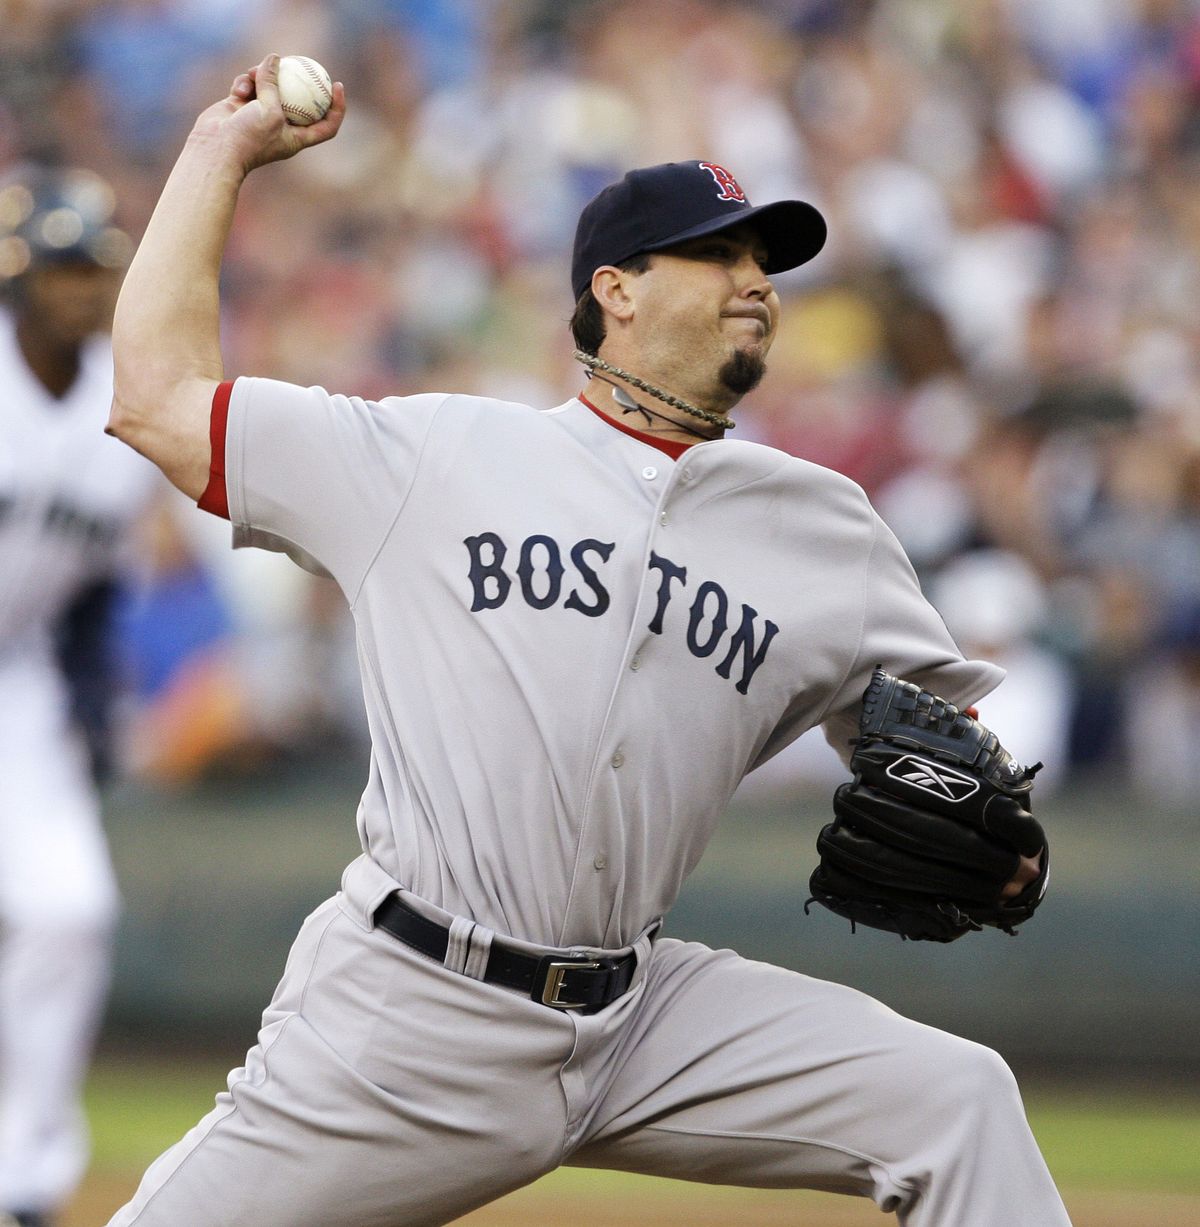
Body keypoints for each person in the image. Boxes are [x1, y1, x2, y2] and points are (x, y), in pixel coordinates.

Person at [105, 56, 1071, 1227]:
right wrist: (219, 151)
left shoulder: (828, 529)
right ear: (614, 289)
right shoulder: (434, 458)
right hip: (413, 1011)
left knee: (959, 1098)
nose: (755, 282)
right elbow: (156, 396)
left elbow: (945, 750)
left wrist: (1009, 844)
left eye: (765, 260)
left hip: (641, 1018)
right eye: (718, 253)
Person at [0, 165, 159, 1227]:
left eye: (92, 265)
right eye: (57, 263)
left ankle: (23, 1183)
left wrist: (95, 707)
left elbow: (98, 590)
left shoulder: (128, 402)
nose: (75, 285)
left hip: (19, 688)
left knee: (69, 910)